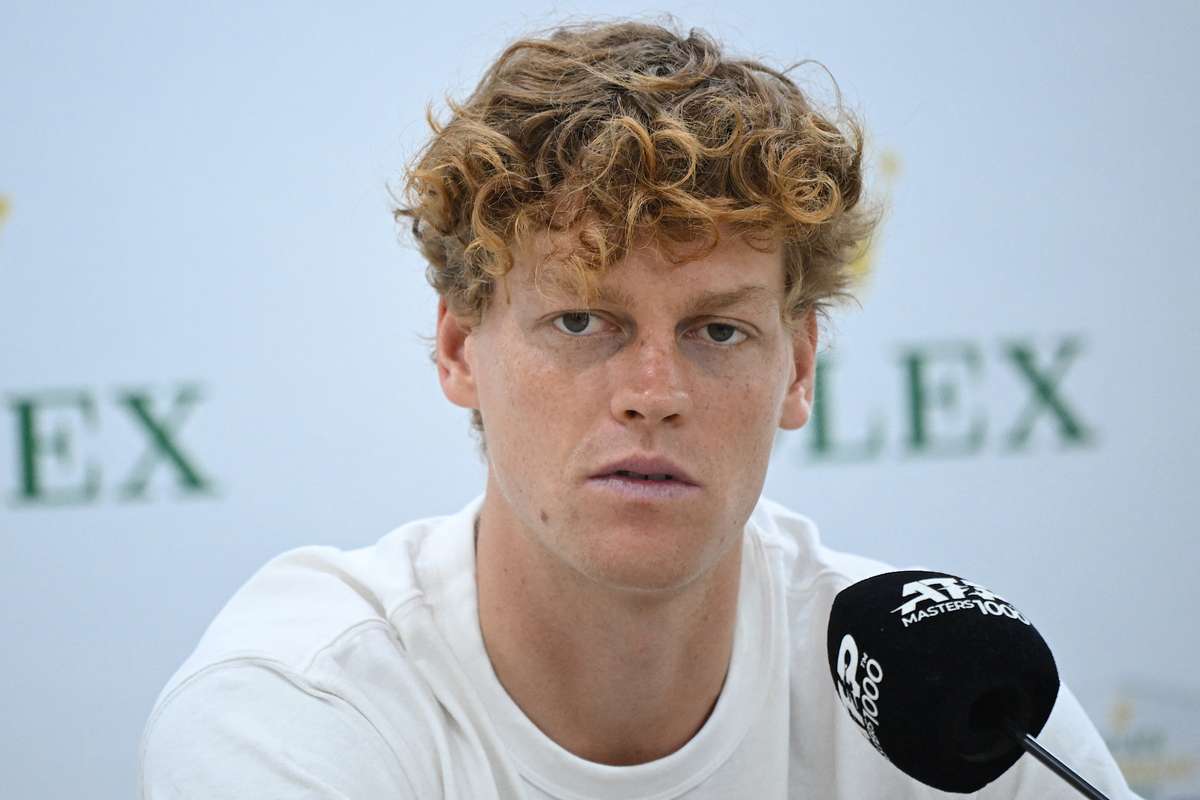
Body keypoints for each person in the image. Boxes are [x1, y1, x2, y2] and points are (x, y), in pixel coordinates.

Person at [139, 20, 1137, 799]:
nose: (654, 394)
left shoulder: (946, 691)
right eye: (581, 321)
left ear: (797, 368)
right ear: (458, 348)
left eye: (718, 331)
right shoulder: (300, 697)